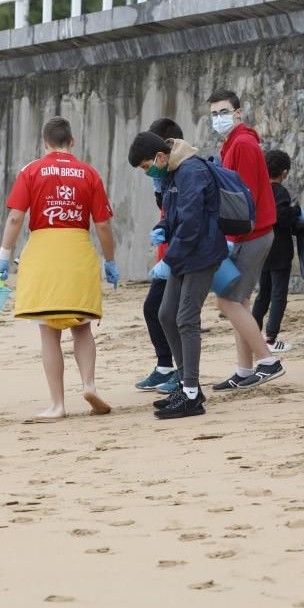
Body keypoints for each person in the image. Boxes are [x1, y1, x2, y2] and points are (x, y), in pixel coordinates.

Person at [0, 117, 117, 422]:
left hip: (45, 251)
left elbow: (15, 218)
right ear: (72, 142)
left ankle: (58, 405)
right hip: (78, 250)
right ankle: (89, 384)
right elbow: (102, 224)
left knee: (49, 333)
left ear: (45, 142)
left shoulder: (32, 170)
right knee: (82, 326)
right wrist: (111, 261)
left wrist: (3, 256)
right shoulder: (89, 173)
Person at [128, 131, 228, 419]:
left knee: (186, 318)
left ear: (160, 156)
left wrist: (169, 259)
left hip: (201, 253)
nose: (148, 173)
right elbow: (176, 217)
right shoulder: (172, 172)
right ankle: (186, 385)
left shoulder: (191, 171)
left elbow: (193, 222)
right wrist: (164, 231)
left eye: (147, 167)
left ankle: (192, 393)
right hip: (183, 254)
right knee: (165, 314)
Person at [207, 89, 286, 392]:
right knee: (238, 300)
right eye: (214, 114)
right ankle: (244, 369)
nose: (219, 118)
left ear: (238, 113)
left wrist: (225, 236)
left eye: (224, 112)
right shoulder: (233, 143)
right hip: (248, 233)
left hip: (250, 234)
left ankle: (268, 361)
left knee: (227, 300)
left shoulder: (242, 143)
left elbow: (243, 196)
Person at [134, 117, 183, 394]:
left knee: (174, 314)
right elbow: (166, 211)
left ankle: (185, 374)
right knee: (158, 310)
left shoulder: (186, 172)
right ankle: (167, 366)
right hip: (170, 252)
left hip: (181, 254)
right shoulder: (166, 176)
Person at [251, 149, 301, 353]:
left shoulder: (259, 190)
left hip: (262, 250)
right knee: (278, 295)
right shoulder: (280, 192)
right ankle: (271, 338)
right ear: (285, 172)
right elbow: (281, 217)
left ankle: (252, 334)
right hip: (279, 251)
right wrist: (295, 212)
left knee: (263, 294)